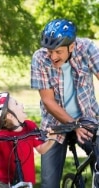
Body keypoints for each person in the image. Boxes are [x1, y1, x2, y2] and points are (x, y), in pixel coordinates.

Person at [30, 18, 99, 188]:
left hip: (87, 119)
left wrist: (81, 124)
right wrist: (74, 125)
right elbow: (48, 101)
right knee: (49, 183)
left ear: (72, 46)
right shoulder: (39, 59)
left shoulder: (87, 48)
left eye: (58, 51)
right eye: (50, 51)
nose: (53, 56)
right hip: (54, 125)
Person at [0, 92, 56, 188]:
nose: (21, 104)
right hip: (7, 184)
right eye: (17, 104)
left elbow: (41, 149)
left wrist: (52, 139)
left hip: (27, 182)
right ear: (10, 115)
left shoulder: (29, 127)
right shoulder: (1, 135)